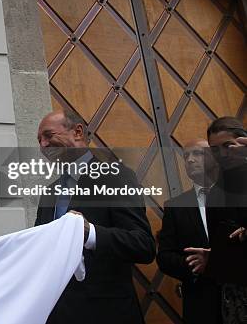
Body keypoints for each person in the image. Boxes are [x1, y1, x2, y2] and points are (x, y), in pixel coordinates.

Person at [35, 110, 155, 324]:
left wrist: (90, 233)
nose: (43, 145)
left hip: (106, 312)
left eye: (48, 135)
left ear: (78, 132)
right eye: (39, 140)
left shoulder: (115, 176)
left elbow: (143, 245)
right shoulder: (49, 193)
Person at [156, 139, 221, 324]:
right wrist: (195, 265)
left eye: (198, 154)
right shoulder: (175, 206)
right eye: (186, 156)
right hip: (201, 304)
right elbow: (164, 257)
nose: (190, 160)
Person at [203, 117, 247, 324]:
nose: (222, 154)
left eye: (228, 145)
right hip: (236, 291)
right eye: (215, 149)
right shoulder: (215, 194)